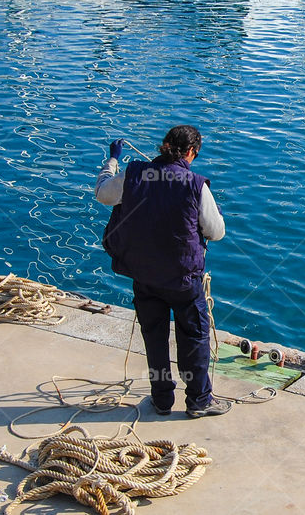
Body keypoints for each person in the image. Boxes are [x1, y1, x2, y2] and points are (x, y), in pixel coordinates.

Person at [95, 125, 230, 418]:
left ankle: (161, 400)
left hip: (143, 276)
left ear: (164, 145)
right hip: (183, 280)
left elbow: (103, 194)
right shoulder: (196, 185)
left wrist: (112, 160)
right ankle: (198, 400)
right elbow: (216, 232)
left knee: (154, 336)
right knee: (194, 338)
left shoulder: (134, 174)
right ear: (192, 153)